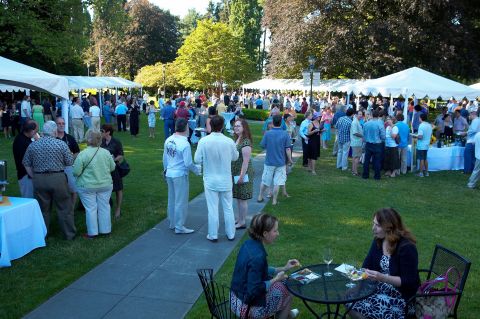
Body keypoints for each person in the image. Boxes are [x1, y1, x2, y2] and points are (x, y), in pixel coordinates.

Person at [350, 208, 420, 319]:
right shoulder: (379, 240)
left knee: (356, 304)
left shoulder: (407, 247)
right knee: (349, 297)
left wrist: (382, 277)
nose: (373, 228)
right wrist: (356, 276)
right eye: (373, 224)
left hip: (400, 297)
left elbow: (409, 281)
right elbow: (367, 265)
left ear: (389, 227)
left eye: (377, 225)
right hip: (379, 288)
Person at [230, 213, 300, 319]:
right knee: (289, 289)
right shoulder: (258, 256)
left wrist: (285, 268)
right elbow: (254, 289)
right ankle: (287, 315)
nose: (278, 233)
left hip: (234, 297)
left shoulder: (248, 244)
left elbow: (260, 270)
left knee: (283, 285)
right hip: (246, 307)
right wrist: (276, 279)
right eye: (275, 231)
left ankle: (288, 314)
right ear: (265, 233)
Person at [22, 121, 76, 240]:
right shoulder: (61, 144)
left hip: (39, 179)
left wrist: (34, 175)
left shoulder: (33, 145)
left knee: (43, 209)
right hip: (57, 178)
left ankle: (42, 235)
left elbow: (26, 163)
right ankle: (69, 234)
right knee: (64, 207)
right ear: (54, 131)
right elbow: (69, 162)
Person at [194, 115, 239, 242]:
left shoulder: (204, 141)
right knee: (228, 207)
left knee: (213, 208)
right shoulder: (229, 141)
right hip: (225, 179)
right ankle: (231, 234)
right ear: (223, 126)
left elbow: (197, 159)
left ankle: (213, 234)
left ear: (211, 126)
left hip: (210, 179)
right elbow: (235, 157)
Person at [73, 130, 116, 239]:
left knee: (91, 208)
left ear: (88, 139)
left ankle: (92, 232)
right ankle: (105, 230)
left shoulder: (83, 154)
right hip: (105, 184)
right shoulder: (106, 153)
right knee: (104, 206)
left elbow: (77, 172)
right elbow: (112, 167)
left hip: (87, 186)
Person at [163, 119, 200, 234]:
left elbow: (165, 158)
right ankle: (179, 226)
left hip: (170, 172)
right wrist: (197, 170)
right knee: (181, 201)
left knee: (172, 198)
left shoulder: (169, 139)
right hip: (179, 174)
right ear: (185, 128)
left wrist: (165, 170)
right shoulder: (184, 144)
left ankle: (173, 222)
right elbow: (188, 163)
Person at [258, 115, 293, 205]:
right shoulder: (285, 134)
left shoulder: (268, 133)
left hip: (269, 162)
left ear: (273, 123)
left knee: (265, 181)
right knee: (277, 182)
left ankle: (260, 196)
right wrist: (290, 160)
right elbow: (288, 149)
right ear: (281, 123)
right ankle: (274, 201)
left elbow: (262, 145)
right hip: (281, 162)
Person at [232, 119, 254, 229]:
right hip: (236, 172)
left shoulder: (246, 142)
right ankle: (239, 218)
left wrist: (241, 176)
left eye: (238, 126)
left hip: (243, 173)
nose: (236, 128)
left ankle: (242, 222)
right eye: (235, 126)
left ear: (244, 128)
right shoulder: (237, 139)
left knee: (243, 199)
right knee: (238, 198)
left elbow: (246, 162)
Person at [56, 117, 80, 211]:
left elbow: (77, 152)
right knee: (60, 191)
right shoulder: (53, 138)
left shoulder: (70, 138)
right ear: (55, 125)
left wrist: (69, 159)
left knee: (73, 189)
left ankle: (71, 210)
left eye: (63, 123)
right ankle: (62, 209)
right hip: (56, 169)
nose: (61, 125)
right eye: (59, 123)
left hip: (69, 167)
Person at [100, 124, 124, 219]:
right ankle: (107, 206)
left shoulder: (116, 142)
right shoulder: (100, 142)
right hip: (103, 170)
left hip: (114, 168)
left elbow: (121, 155)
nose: (100, 133)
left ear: (108, 132)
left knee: (118, 189)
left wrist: (112, 160)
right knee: (105, 188)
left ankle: (118, 209)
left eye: (102, 131)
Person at [12, 120, 38, 198]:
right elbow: (27, 160)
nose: (37, 133)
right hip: (25, 175)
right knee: (29, 198)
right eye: (36, 131)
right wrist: (38, 141)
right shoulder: (21, 141)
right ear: (31, 131)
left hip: (28, 174)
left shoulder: (25, 138)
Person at [362, 110, 386, 180]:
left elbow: (364, 134)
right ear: (378, 116)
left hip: (368, 143)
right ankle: (377, 176)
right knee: (377, 161)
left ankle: (365, 175)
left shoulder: (366, 124)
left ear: (372, 115)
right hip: (377, 144)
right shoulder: (380, 124)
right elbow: (383, 136)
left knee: (367, 160)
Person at [415, 113, 433, 177]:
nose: (419, 119)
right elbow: (430, 135)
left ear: (421, 118)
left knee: (421, 159)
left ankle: (421, 173)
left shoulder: (421, 125)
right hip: (427, 144)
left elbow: (420, 136)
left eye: (419, 117)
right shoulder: (429, 125)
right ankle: (427, 172)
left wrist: (415, 136)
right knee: (425, 158)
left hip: (421, 145)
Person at [350, 110, 364, 176]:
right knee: (357, 157)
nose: (360, 115)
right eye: (359, 114)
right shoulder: (355, 122)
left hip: (356, 142)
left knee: (355, 157)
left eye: (361, 114)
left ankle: (353, 170)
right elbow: (355, 133)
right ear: (356, 115)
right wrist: (362, 136)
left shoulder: (357, 121)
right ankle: (355, 172)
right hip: (356, 142)